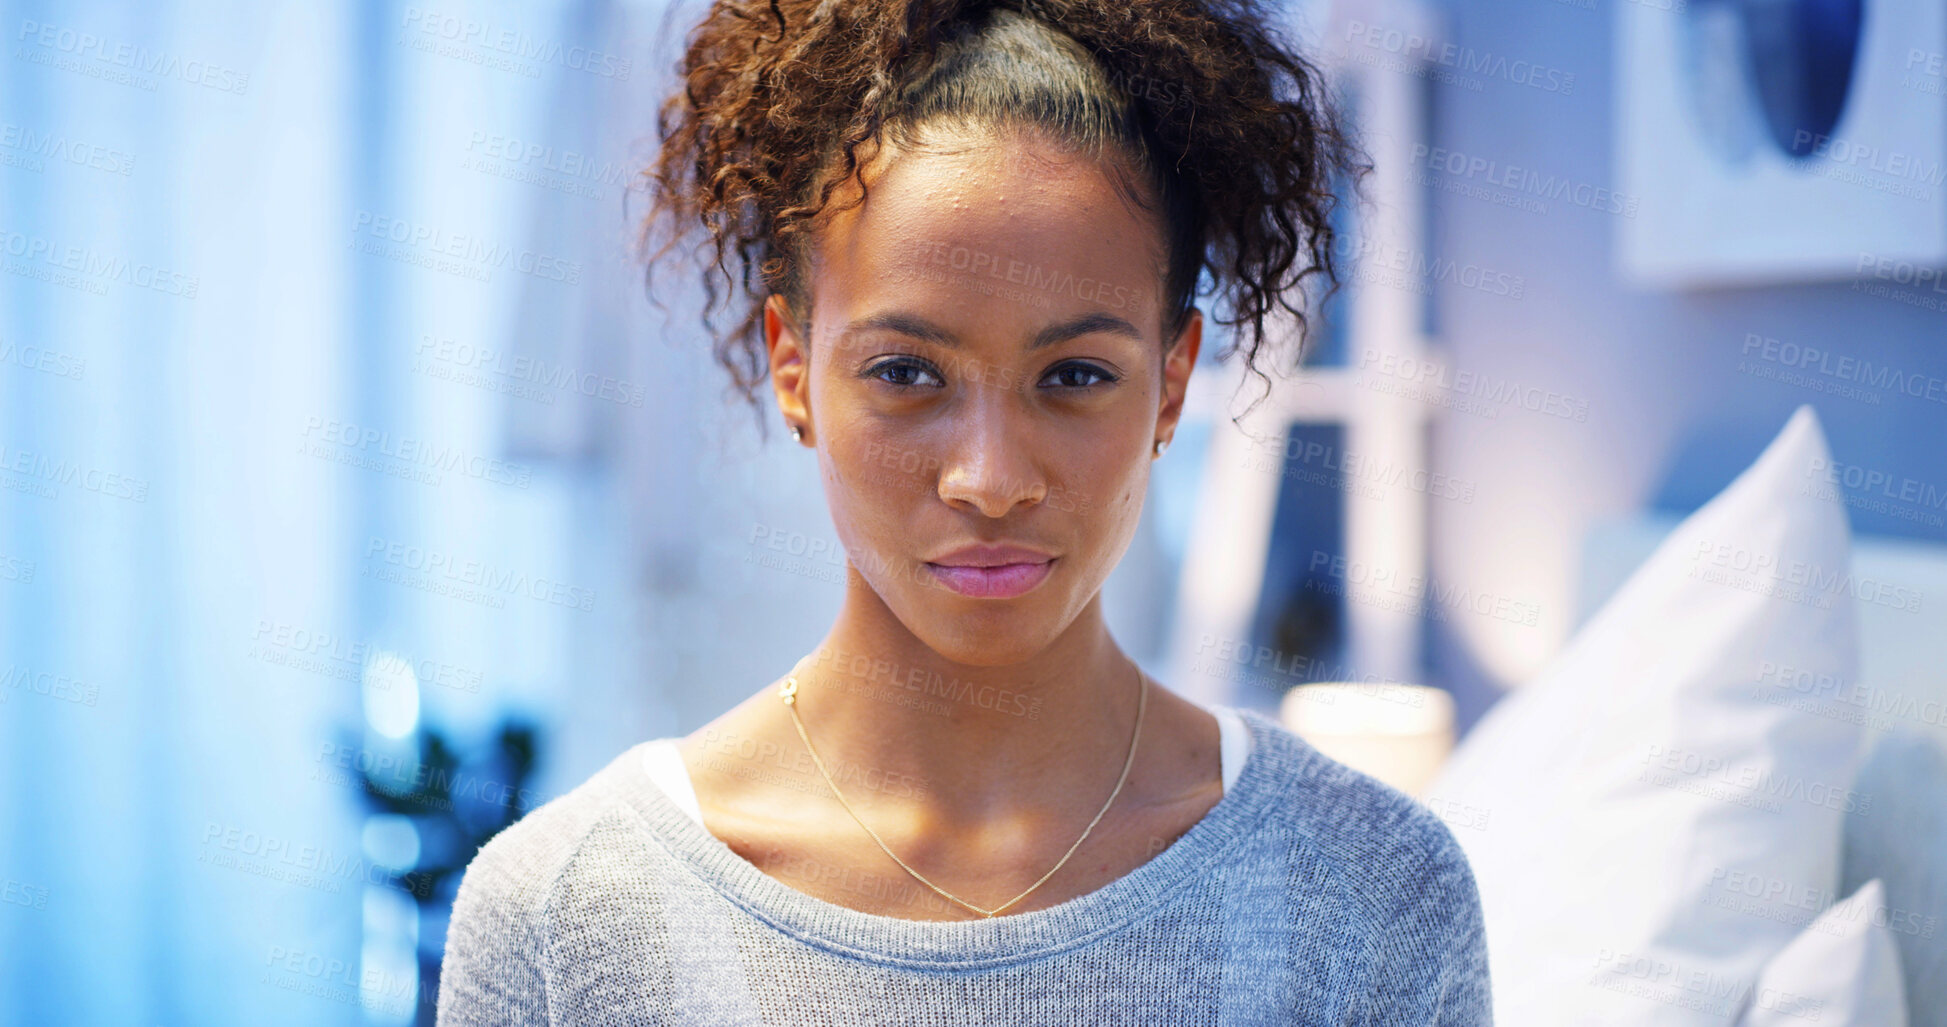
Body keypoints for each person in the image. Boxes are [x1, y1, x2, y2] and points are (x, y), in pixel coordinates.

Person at [437, 0, 1491, 1022]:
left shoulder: (1371, 895)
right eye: (907, 371)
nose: (989, 478)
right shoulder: (567, 913)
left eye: (1074, 376)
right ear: (793, 369)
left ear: (1172, 386)